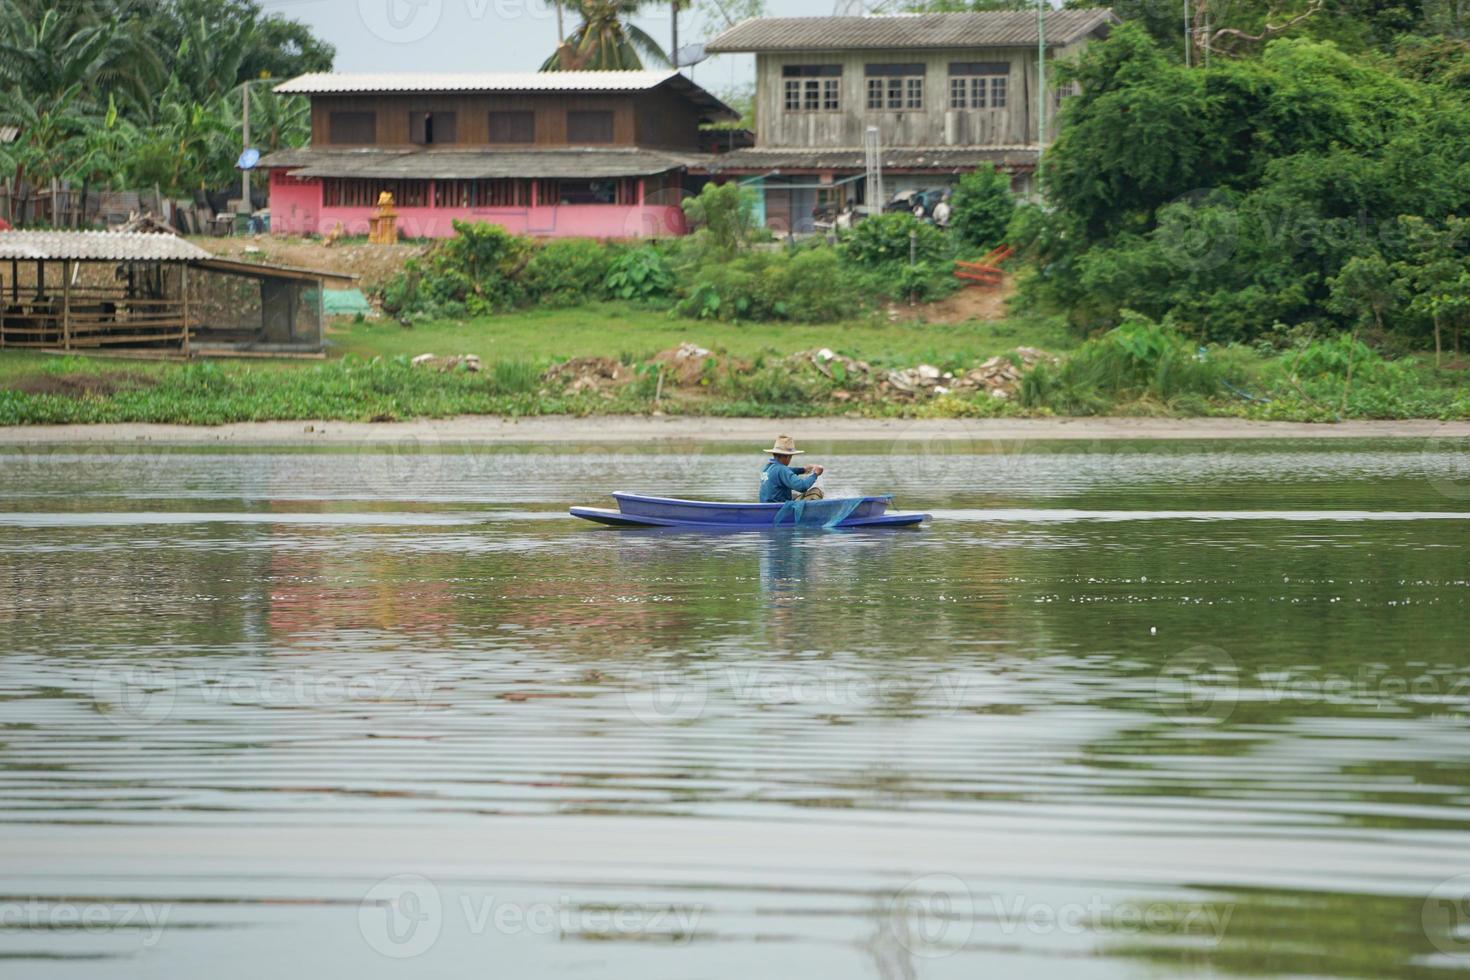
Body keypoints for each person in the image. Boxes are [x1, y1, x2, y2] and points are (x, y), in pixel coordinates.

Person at [760, 435, 825, 503]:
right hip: (778, 508)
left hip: (766, 505)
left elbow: (788, 470)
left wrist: (804, 469)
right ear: (787, 457)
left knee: (794, 495)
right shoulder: (782, 469)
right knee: (815, 492)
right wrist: (815, 474)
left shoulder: (767, 468)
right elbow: (802, 486)